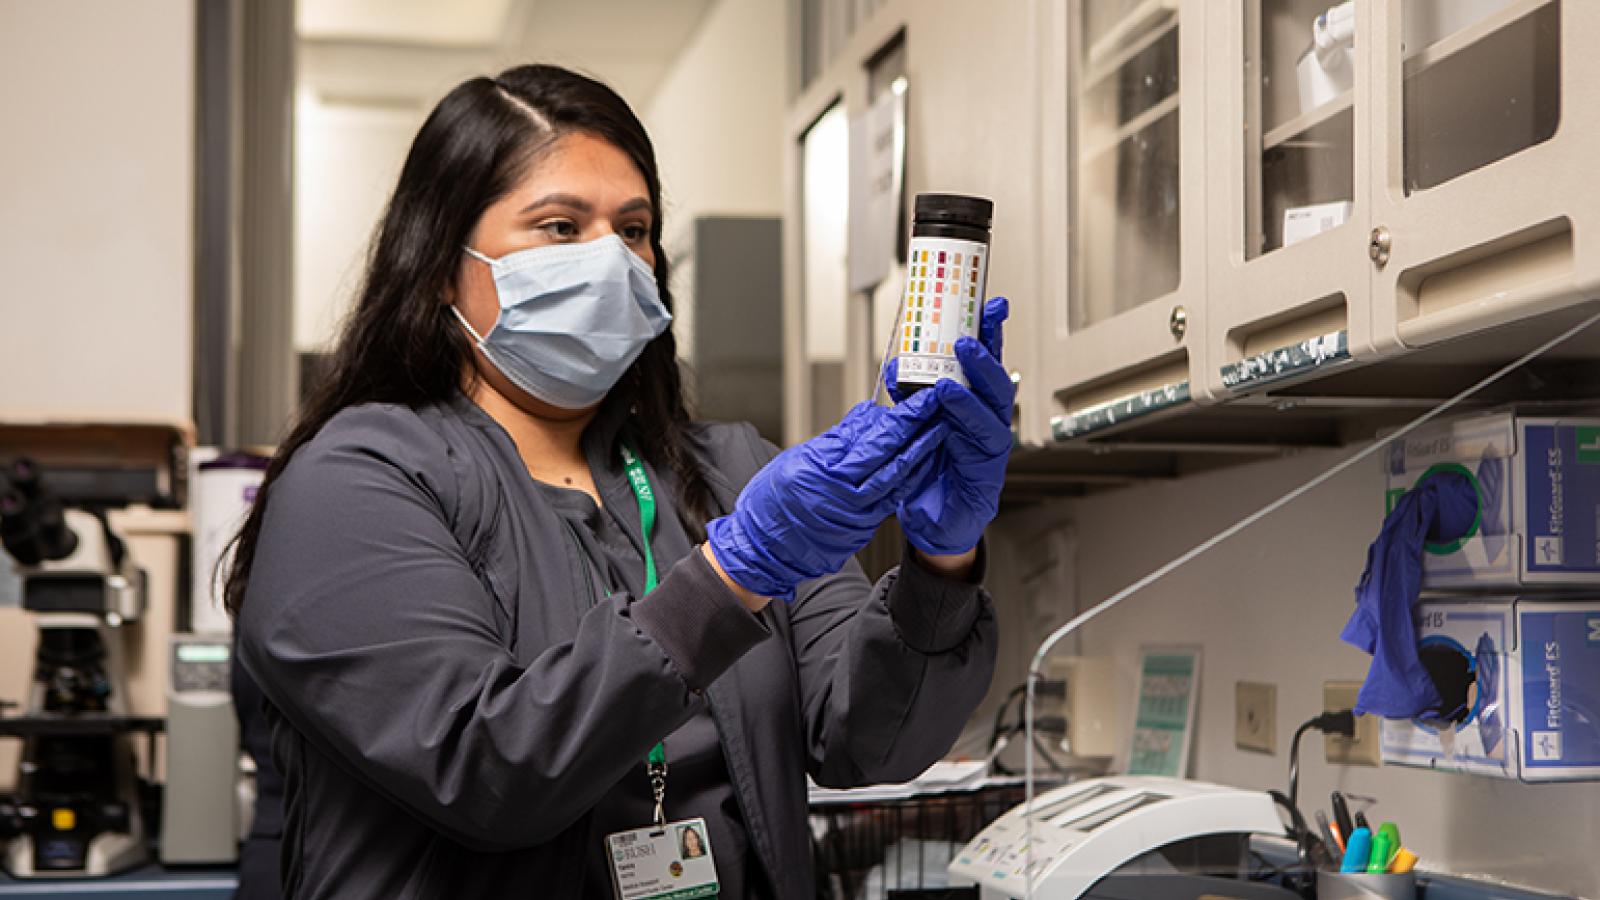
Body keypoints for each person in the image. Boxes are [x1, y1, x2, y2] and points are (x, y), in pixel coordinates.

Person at [227, 63, 1012, 900]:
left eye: (633, 229)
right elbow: (491, 769)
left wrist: (943, 565)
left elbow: (873, 742)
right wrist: (731, 575)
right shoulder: (354, 483)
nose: (610, 260)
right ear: (437, 264)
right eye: (561, 227)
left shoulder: (727, 472)